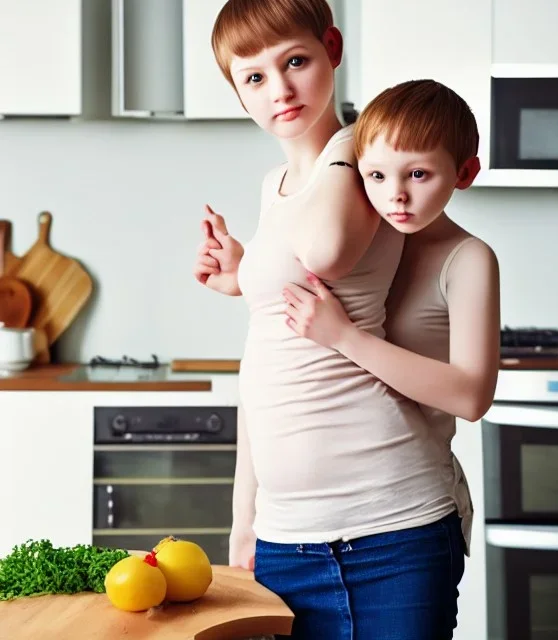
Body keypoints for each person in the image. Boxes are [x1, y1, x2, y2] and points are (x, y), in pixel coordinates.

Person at [193, 2, 487, 637]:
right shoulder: (277, 182)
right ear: (237, 91)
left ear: (332, 47)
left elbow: (325, 253)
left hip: (389, 521)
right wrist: (243, 519)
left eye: (295, 61)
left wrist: (340, 144)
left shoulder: (362, 160)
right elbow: (271, 361)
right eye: (255, 77)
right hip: (286, 532)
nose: (281, 89)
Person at [283, 76, 501, 573]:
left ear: (465, 172)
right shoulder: (352, 241)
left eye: (418, 174)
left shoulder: (468, 259)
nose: (395, 196)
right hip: (316, 517)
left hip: (410, 513)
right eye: (376, 176)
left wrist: (344, 337)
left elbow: (471, 397)